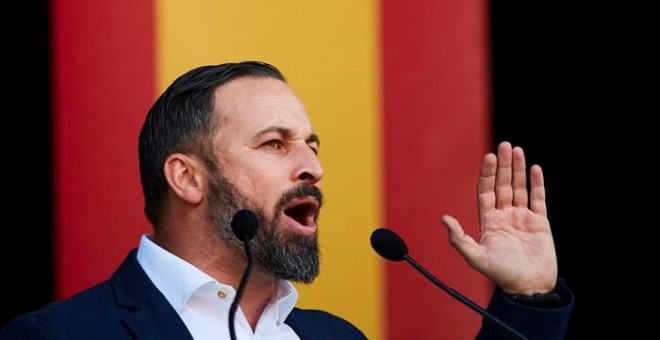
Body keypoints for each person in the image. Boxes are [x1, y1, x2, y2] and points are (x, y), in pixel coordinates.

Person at [1, 61, 573, 339]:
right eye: (275, 144)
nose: (313, 169)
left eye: (312, 146)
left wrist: (528, 296)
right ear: (187, 178)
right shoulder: (57, 336)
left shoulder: (334, 338)